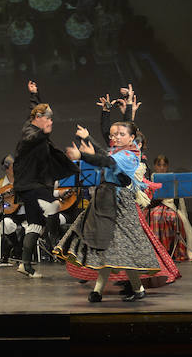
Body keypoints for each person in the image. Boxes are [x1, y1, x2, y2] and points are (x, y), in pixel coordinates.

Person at [55, 123, 161, 302]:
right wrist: (87, 138)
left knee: (119, 247)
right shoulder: (119, 152)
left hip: (119, 205)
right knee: (108, 247)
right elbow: (105, 155)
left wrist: (83, 154)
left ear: (131, 138)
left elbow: (106, 161)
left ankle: (111, 290)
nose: (116, 137)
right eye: (114, 135)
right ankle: (121, 289)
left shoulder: (130, 156)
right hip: (105, 201)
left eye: (121, 134)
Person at [12, 81, 80, 278]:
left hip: (35, 183)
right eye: (48, 118)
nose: (51, 122)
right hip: (31, 185)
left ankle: (26, 264)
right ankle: (57, 243)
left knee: (35, 224)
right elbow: (32, 135)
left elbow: (33, 110)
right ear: (39, 119)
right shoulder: (31, 133)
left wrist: (34, 94)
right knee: (52, 207)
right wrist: (44, 133)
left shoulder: (32, 123)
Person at [146, 155, 192, 261]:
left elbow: (178, 200)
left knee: (174, 217)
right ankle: (158, 252)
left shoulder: (172, 179)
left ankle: (174, 250)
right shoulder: (151, 179)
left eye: (164, 165)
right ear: (155, 166)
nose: (161, 168)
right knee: (155, 216)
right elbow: (149, 200)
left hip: (170, 207)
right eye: (159, 165)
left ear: (167, 166)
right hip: (154, 206)